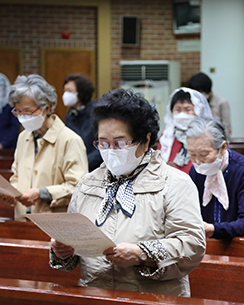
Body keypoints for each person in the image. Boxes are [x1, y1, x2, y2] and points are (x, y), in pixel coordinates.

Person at [49, 88, 206, 297]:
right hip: (96, 294)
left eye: (120, 143)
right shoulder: (88, 183)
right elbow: (74, 241)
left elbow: (191, 243)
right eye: (103, 143)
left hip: (153, 297)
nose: (110, 150)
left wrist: (142, 254)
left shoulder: (174, 183)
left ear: (145, 139)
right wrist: (63, 251)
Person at [1, 74, 88, 220]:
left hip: (54, 225)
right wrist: (12, 193)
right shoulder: (24, 137)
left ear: (46, 108)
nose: (22, 116)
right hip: (22, 220)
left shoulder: (70, 140)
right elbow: (16, 176)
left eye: (28, 111)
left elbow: (78, 188)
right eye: (18, 111)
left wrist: (42, 193)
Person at [187, 117, 244, 239]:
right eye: (192, 154)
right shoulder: (195, 171)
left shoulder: (241, 170)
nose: (197, 161)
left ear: (223, 148)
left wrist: (214, 229)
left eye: (203, 154)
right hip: (204, 245)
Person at [158, 87, 213, 174]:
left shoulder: (208, 135)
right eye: (178, 110)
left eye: (188, 110)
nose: (182, 115)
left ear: (198, 111)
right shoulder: (167, 136)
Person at [62, 73, 103, 172]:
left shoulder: (96, 113)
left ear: (81, 92)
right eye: (64, 91)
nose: (65, 94)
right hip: (72, 168)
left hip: (93, 168)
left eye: (70, 91)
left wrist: (83, 163)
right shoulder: (70, 114)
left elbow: (101, 147)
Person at [188, 72, 232, 141]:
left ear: (208, 91)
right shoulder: (192, 102)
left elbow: (227, 129)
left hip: (216, 142)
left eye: (200, 92)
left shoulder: (221, 103)